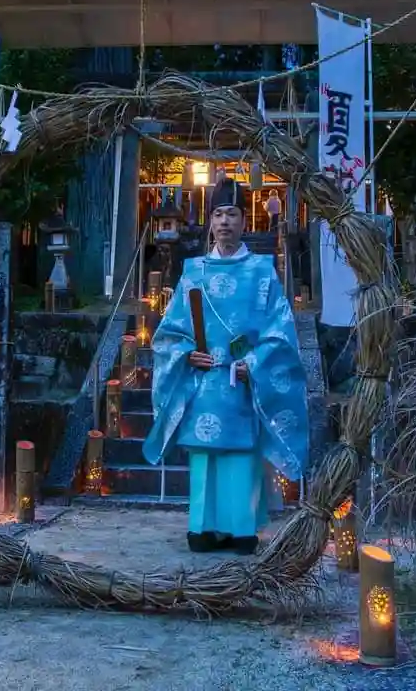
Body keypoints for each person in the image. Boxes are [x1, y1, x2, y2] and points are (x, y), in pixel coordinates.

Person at [141, 176, 309, 555]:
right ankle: (201, 527)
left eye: (232, 214)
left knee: (241, 453)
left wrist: (256, 363)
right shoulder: (193, 271)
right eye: (218, 214)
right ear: (210, 221)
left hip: (243, 380)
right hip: (203, 380)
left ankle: (241, 529)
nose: (224, 222)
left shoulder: (262, 271)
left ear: (244, 221)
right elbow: (171, 331)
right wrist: (187, 354)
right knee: (204, 453)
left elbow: (279, 330)